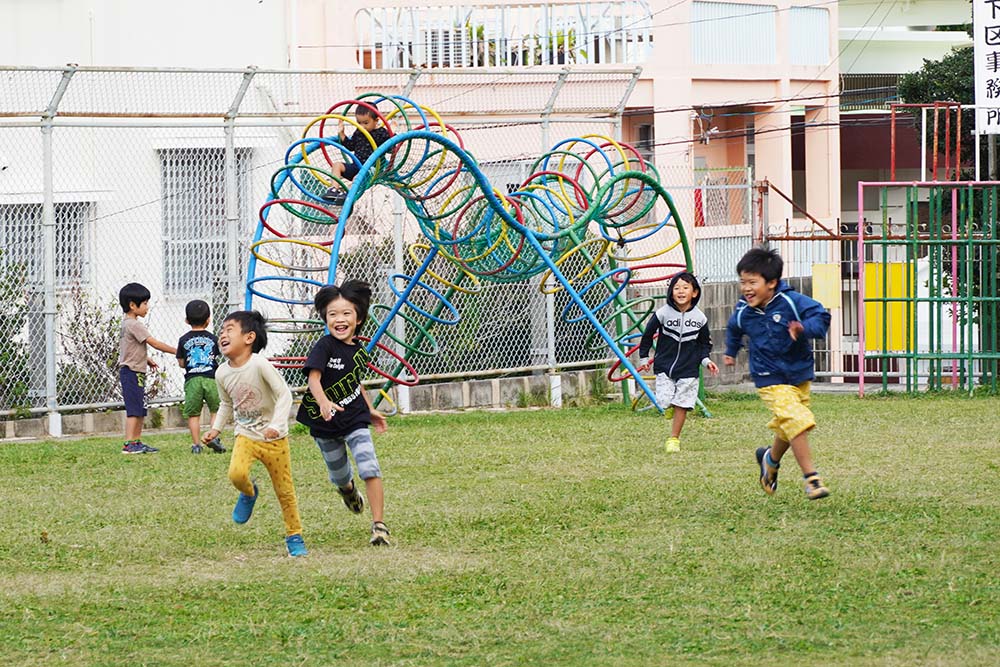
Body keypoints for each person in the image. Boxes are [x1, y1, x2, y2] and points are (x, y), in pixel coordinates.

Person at [723, 247, 832, 500]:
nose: (746, 288)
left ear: (772, 283)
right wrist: (731, 350)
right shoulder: (743, 311)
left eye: (753, 282)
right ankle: (812, 479)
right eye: (743, 282)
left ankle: (769, 461)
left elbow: (821, 316)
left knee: (788, 427)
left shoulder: (792, 301)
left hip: (798, 373)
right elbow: (733, 328)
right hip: (768, 376)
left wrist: (804, 328)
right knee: (796, 420)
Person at [202, 311, 307, 557]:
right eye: (221, 331)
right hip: (245, 435)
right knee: (236, 474)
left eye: (230, 329)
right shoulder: (221, 373)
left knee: (285, 491)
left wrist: (277, 425)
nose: (223, 334)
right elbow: (226, 404)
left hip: (275, 439)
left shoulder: (260, 364)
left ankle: (294, 535)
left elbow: (284, 395)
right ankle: (249, 493)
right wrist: (216, 429)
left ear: (249, 338)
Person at [296, 280, 391, 547]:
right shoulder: (324, 347)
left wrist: (370, 410)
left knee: (369, 465)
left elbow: (355, 381)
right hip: (324, 422)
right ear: (325, 319)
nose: (340, 319)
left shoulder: (359, 350)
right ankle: (348, 491)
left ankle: (379, 526)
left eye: (346, 313)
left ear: (358, 318)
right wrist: (324, 403)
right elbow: (314, 380)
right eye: (333, 314)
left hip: (354, 418)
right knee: (339, 476)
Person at [638, 271, 719, 453]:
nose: (680, 291)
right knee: (664, 400)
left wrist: (706, 361)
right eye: (676, 288)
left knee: (682, 402)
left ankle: (674, 439)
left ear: (695, 293)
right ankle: (668, 406)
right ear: (671, 292)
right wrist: (645, 358)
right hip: (664, 366)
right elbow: (647, 335)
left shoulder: (700, 318)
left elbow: (704, 344)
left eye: (685, 287)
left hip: (689, 368)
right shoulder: (663, 313)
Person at [117, 282, 177, 454]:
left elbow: (130, 347)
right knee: (134, 409)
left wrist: (146, 358)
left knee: (139, 408)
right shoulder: (135, 325)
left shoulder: (126, 324)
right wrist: (177, 351)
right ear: (132, 305)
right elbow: (155, 343)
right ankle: (129, 443)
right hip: (132, 372)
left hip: (135, 370)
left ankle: (136, 441)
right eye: (144, 304)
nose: (147, 307)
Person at [176, 299, 226, 455]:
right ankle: (213, 438)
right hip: (212, 378)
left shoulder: (183, 340)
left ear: (186, 320)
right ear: (208, 319)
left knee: (193, 413)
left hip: (193, 380)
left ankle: (196, 444)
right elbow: (218, 356)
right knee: (215, 410)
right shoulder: (213, 339)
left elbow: (181, 363)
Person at [320, 104, 391, 205]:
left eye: (366, 123)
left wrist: (393, 131)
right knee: (337, 165)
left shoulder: (381, 133)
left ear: (376, 120)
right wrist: (342, 134)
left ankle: (348, 196)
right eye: (359, 123)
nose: (362, 126)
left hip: (371, 170)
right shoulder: (359, 132)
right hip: (356, 166)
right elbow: (350, 146)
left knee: (357, 177)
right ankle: (333, 190)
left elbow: (392, 145)